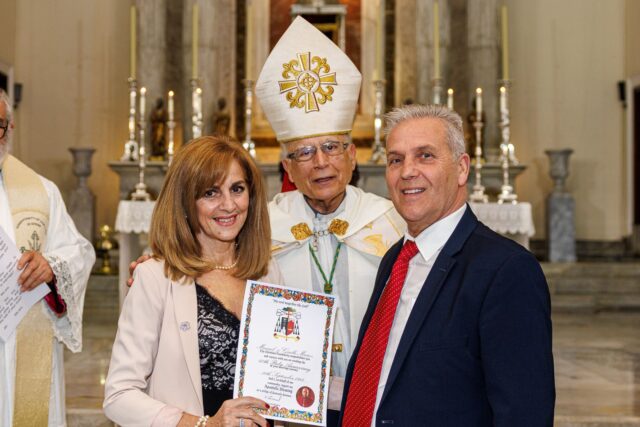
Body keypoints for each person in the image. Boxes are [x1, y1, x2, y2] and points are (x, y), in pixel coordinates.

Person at [340, 104, 555, 426]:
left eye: (425, 156)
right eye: (396, 160)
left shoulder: (506, 270)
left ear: (462, 168)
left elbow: (524, 413)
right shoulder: (395, 259)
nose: (407, 171)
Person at [254, 17, 406, 421]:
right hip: (290, 404)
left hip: (376, 399)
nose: (320, 162)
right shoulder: (260, 227)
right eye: (304, 153)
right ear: (288, 167)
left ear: (352, 157)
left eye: (331, 147)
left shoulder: (391, 221)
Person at [104, 136, 281, 426]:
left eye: (237, 189)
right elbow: (119, 396)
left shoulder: (267, 270)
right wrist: (204, 425)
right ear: (185, 201)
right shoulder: (155, 276)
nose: (228, 205)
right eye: (211, 193)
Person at [0, 89, 95, 426]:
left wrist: (51, 267)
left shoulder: (42, 192)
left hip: (25, 338)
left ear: (9, 129)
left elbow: (79, 252)